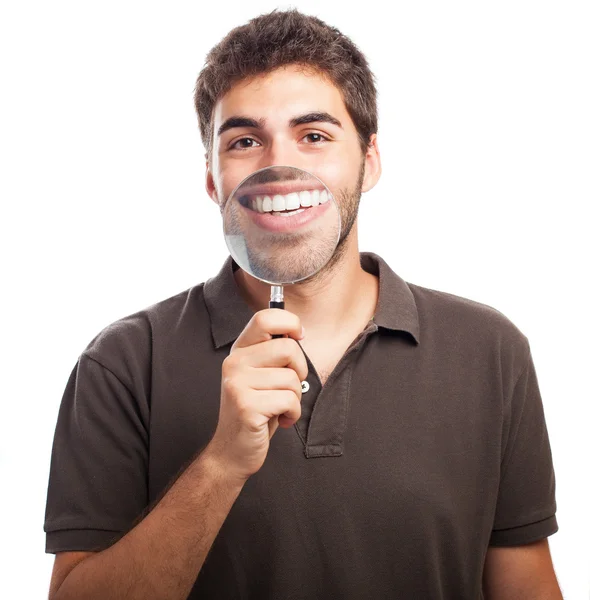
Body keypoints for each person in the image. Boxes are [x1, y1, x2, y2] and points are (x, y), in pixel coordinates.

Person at [44, 8, 562, 600]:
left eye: (313, 135)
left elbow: (526, 585)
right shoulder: (123, 364)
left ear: (369, 162)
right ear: (212, 178)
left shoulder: (490, 350)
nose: (276, 167)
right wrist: (221, 463)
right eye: (244, 140)